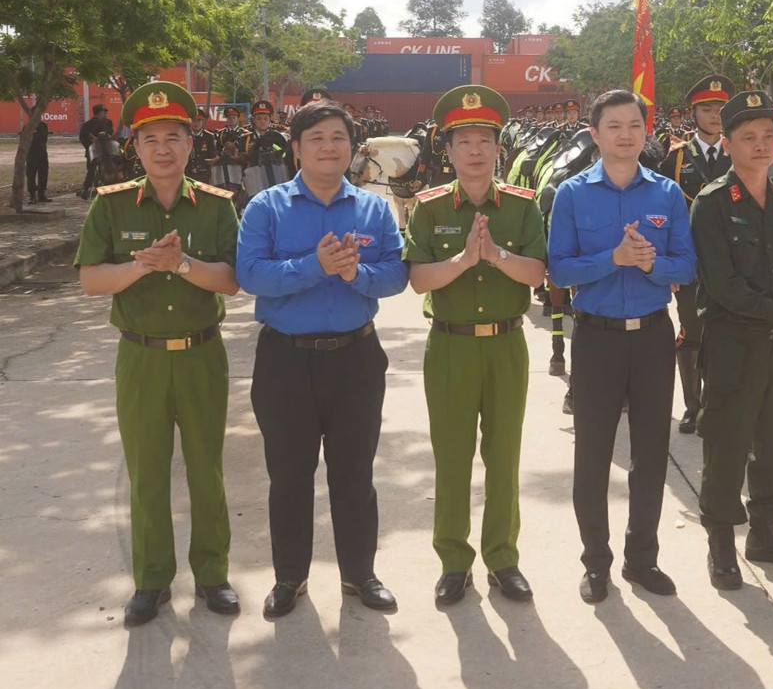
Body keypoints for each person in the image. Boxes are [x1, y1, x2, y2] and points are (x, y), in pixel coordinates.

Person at [73, 81, 241, 626]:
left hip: (200, 356)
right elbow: (93, 280)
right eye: (151, 139)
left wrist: (183, 265)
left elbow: (232, 281)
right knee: (146, 472)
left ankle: (213, 574)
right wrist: (144, 265)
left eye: (174, 137)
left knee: (205, 470)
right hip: (140, 359)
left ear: (192, 145)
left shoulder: (215, 209)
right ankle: (151, 580)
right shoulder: (113, 206)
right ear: (135, 148)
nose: (163, 148)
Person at [236, 99, 409, 618]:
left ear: (352, 147)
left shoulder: (375, 209)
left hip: (356, 357)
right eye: (316, 138)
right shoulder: (267, 206)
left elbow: (397, 274)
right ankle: (290, 576)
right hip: (285, 361)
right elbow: (251, 275)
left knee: (354, 472)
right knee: (289, 473)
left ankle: (360, 574)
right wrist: (314, 266)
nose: (328, 147)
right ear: (296, 149)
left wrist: (358, 276)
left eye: (338, 137)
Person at [549, 90, 697, 603]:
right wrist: (613, 258)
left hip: (654, 336)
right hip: (596, 339)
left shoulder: (667, 194)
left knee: (651, 455)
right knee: (591, 456)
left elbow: (688, 264)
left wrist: (653, 264)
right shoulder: (571, 194)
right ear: (595, 134)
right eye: (614, 126)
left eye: (635, 124)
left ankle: (642, 560)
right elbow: (560, 270)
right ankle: (597, 564)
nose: (626, 134)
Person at [405, 86, 548, 605]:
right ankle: (453, 562)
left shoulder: (521, 207)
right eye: (463, 141)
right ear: (449, 150)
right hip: (451, 348)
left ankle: (503, 559)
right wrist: (464, 260)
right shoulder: (428, 207)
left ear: (498, 148)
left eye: (484, 140)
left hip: (506, 347)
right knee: (452, 458)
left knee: (504, 456)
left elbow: (537, 275)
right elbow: (419, 280)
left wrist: (496, 255)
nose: (474, 151)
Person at [691, 90, 773, 590]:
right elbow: (721, 286)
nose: (762, 145)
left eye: (768, 135)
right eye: (749, 137)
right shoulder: (712, 203)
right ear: (727, 144)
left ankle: (767, 532)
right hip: (732, 344)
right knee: (726, 444)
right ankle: (720, 543)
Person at [659, 74, 732, 434]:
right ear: (693, 113)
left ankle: (722, 405)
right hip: (690, 263)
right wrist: (668, 264)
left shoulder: (740, 152)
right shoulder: (676, 157)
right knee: (691, 333)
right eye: (707, 109)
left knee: (728, 336)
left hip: (733, 264)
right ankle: (692, 405)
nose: (715, 115)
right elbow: (662, 214)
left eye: (720, 108)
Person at [79, 104, 115, 198]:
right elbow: (83, 137)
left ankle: (89, 189)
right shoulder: (89, 125)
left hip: (100, 151)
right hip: (98, 151)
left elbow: (110, 133)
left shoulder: (107, 123)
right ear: (98, 113)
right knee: (92, 171)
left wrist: (89, 147)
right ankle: (87, 189)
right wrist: (90, 146)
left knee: (99, 171)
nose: (105, 113)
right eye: (104, 112)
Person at [25, 117, 50, 203]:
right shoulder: (27, 126)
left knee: (43, 175)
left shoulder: (43, 126)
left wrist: (35, 135)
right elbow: (26, 140)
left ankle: (41, 195)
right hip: (31, 155)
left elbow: (43, 139)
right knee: (31, 175)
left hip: (42, 153)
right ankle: (32, 195)